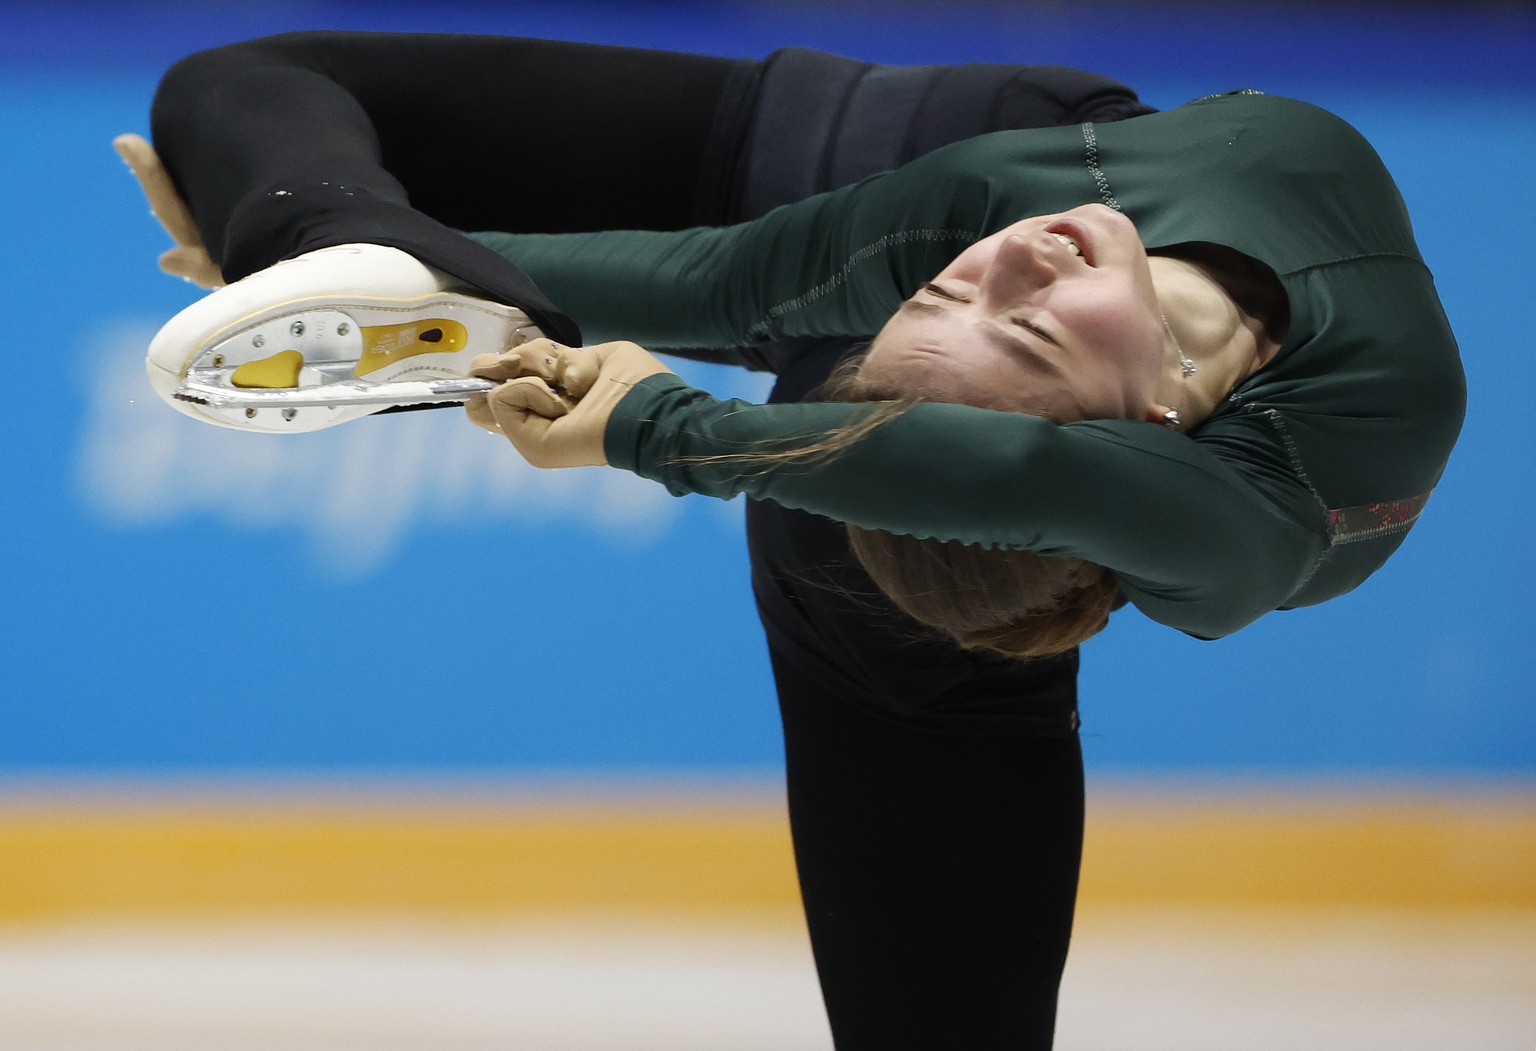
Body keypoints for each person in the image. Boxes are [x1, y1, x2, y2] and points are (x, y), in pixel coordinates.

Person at [120, 31, 1464, 1050]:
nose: (1022, 262)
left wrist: (646, 421)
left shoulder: (1020, 258)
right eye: (1005, 306)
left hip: (895, 291)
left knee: (858, 559)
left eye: (994, 306)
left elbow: (929, 423)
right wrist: (343, 265)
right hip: (928, 206)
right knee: (248, 92)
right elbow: (737, 297)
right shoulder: (1036, 251)